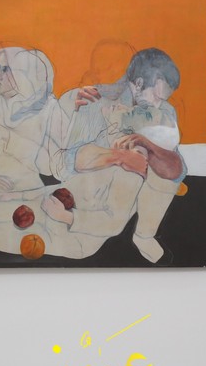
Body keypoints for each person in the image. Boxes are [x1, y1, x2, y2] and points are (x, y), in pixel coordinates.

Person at [43, 47, 187, 262]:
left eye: (164, 99)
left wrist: (147, 148)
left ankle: (144, 235)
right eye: (157, 97)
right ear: (139, 83)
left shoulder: (164, 111)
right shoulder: (95, 100)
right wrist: (120, 157)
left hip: (130, 196)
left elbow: (176, 170)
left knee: (167, 164)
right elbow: (66, 164)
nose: (160, 105)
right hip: (91, 197)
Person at [0, 46, 69, 201]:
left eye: (5, 70)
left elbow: (53, 166)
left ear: (24, 75)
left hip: (26, 192)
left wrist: (5, 136)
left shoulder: (50, 108)